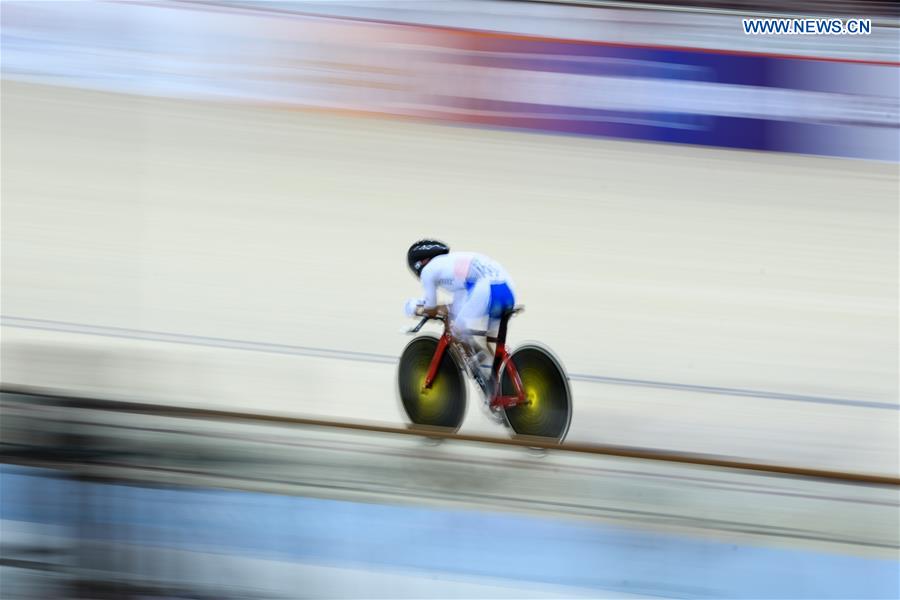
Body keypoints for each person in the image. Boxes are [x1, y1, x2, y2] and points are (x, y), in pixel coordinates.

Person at [404, 239, 517, 389]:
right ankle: (501, 384)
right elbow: (457, 306)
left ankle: (486, 380)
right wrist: (440, 310)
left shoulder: (428, 270)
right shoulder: (452, 266)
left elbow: (430, 307)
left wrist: (413, 308)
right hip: (507, 288)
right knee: (491, 343)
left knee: (457, 330)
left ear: (418, 264)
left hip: (486, 290)